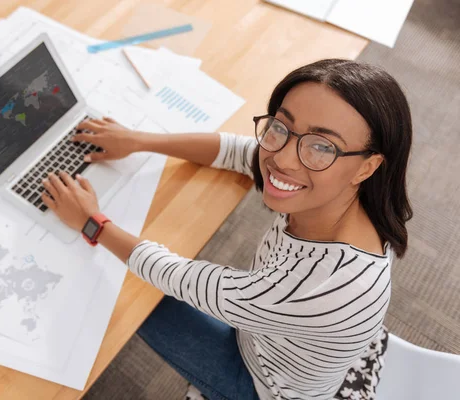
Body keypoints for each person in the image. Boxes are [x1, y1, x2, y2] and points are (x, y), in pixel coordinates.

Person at [40, 59, 413, 400]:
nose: (280, 158)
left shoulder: (320, 288)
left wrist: (92, 222)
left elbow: (181, 278)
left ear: (367, 166)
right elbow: (241, 151)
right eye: (280, 127)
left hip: (265, 384)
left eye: (322, 146)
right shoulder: (353, 196)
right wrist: (138, 141)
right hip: (276, 333)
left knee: (125, 295)